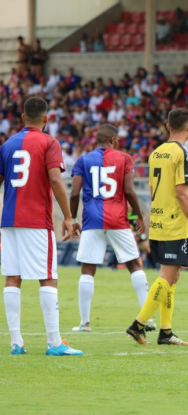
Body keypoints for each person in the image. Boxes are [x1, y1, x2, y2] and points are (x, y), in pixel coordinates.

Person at [1, 97, 82, 356]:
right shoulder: (49, 142)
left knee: (12, 277)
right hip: (36, 220)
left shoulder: (7, 145)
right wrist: (68, 216)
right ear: (46, 119)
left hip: (9, 221)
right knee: (48, 277)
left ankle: (16, 342)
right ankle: (54, 342)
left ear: (23, 118)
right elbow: (56, 180)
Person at [125, 108, 188, 346]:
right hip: (174, 223)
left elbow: (153, 190)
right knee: (167, 275)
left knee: (173, 276)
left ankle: (166, 332)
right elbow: (182, 194)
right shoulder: (184, 154)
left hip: (158, 221)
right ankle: (138, 325)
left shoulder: (156, 153)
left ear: (168, 126)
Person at [69, 124, 154, 333]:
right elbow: (129, 191)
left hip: (92, 220)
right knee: (134, 265)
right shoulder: (125, 158)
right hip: (118, 219)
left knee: (87, 270)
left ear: (96, 140)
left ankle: (84, 323)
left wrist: (72, 218)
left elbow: (74, 193)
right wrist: (139, 215)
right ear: (114, 140)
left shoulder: (83, 160)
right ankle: (148, 319)